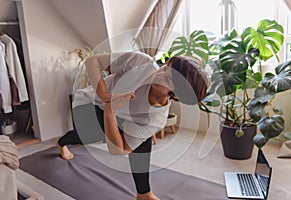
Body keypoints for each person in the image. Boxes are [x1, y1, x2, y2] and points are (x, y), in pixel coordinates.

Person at [56, 51, 209, 200]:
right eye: (165, 68)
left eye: (167, 79)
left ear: (175, 95)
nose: (159, 74)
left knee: (143, 140)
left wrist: (110, 111)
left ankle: (143, 194)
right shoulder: (142, 63)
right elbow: (92, 61)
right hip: (88, 103)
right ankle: (61, 142)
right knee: (94, 135)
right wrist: (105, 97)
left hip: (115, 113)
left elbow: (119, 150)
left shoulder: (156, 118)